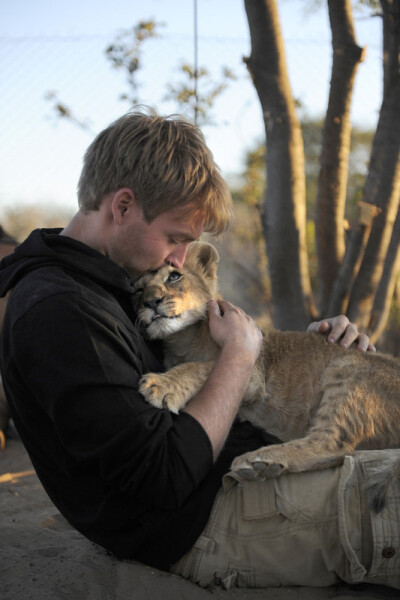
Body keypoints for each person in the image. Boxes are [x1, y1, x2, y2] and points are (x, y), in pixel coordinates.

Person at [0, 108, 398, 591]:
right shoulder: (61, 312)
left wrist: (319, 356)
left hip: (246, 476)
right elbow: (164, 475)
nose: (178, 259)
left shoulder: (112, 282)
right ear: (122, 206)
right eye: (174, 238)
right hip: (216, 519)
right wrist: (239, 356)